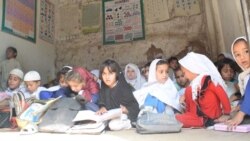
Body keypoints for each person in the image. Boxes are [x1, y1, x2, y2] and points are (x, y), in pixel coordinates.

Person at [175, 52, 231, 128]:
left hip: (208, 118)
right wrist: (184, 101)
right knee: (187, 91)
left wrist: (226, 114)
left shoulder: (209, 80)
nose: (184, 76)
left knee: (176, 119)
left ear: (193, 69)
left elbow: (222, 95)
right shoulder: (192, 86)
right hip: (197, 117)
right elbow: (192, 107)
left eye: (184, 73)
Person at [96, 59, 139, 131]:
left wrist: (126, 110)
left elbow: (135, 108)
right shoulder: (103, 85)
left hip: (123, 116)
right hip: (108, 115)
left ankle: (128, 124)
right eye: (104, 74)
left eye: (110, 73)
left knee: (113, 125)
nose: (107, 77)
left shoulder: (124, 88)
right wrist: (102, 107)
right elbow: (102, 101)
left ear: (116, 74)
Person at [226, 36, 250, 127]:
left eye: (246, 51)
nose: (242, 57)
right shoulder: (245, 75)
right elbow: (246, 95)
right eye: (237, 55)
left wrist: (241, 113)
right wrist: (239, 107)